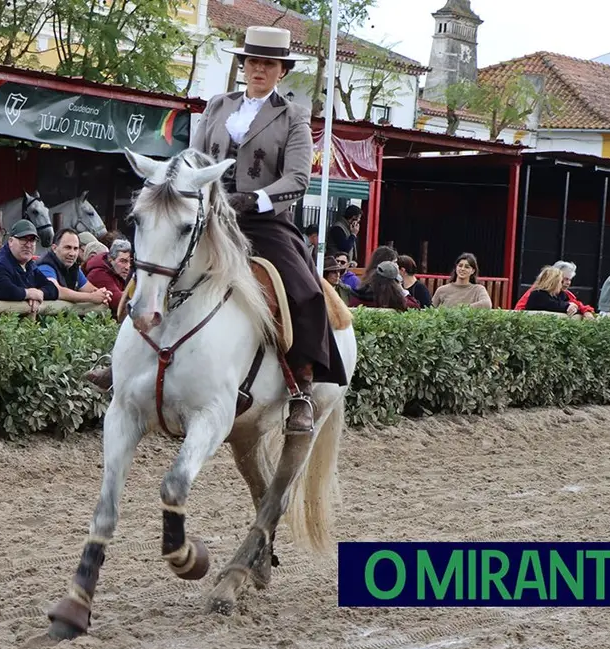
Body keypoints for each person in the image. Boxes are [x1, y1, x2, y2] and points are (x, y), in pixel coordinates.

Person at [87, 25, 346, 434]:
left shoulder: (293, 116)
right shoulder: (216, 106)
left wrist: (254, 199)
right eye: (252, 62)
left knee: (305, 289)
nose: (258, 69)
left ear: (281, 70)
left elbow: (297, 179)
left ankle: (302, 387)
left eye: (268, 63)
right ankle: (122, 362)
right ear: (243, 66)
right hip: (209, 214)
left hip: (263, 221)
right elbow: (191, 158)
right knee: (158, 260)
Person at [0, 219, 58, 313]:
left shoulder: (30, 265)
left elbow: (53, 289)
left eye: (32, 240)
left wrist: (39, 293)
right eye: (23, 239)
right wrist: (28, 294)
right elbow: (4, 290)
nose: (28, 245)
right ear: (10, 241)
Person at [35, 228, 113, 306]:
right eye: (68, 247)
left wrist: (103, 294)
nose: (72, 253)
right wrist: (91, 297)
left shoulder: (73, 268)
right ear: (54, 248)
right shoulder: (45, 266)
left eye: (75, 249)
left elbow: (90, 289)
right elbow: (56, 290)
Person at [348, 260, 419, 311]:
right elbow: (415, 307)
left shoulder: (359, 294)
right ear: (394, 282)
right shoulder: (394, 300)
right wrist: (403, 291)